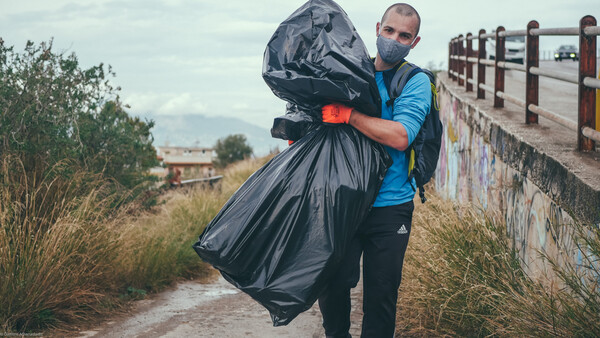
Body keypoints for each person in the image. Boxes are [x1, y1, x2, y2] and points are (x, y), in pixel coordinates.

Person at [318, 3, 431, 337]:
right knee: (332, 284)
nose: (395, 39)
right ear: (378, 28)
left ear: (415, 41)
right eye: (390, 31)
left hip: (390, 208)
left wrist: (349, 116)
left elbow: (400, 136)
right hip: (345, 202)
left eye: (404, 35)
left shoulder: (415, 81)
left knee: (381, 299)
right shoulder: (352, 72)